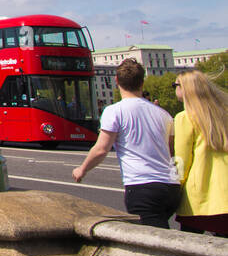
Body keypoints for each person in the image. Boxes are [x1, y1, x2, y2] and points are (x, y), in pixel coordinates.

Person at [73, 59, 180, 227]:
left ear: (116, 81)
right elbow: (172, 150)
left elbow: (101, 149)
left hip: (142, 186)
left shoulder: (114, 111)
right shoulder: (163, 114)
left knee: (151, 243)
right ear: (142, 82)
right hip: (172, 186)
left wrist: (82, 169)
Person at [170, 70, 228, 236]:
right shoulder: (224, 115)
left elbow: (180, 160)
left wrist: (173, 187)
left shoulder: (184, 118)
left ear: (185, 88)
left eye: (175, 85)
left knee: (190, 247)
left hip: (198, 197)